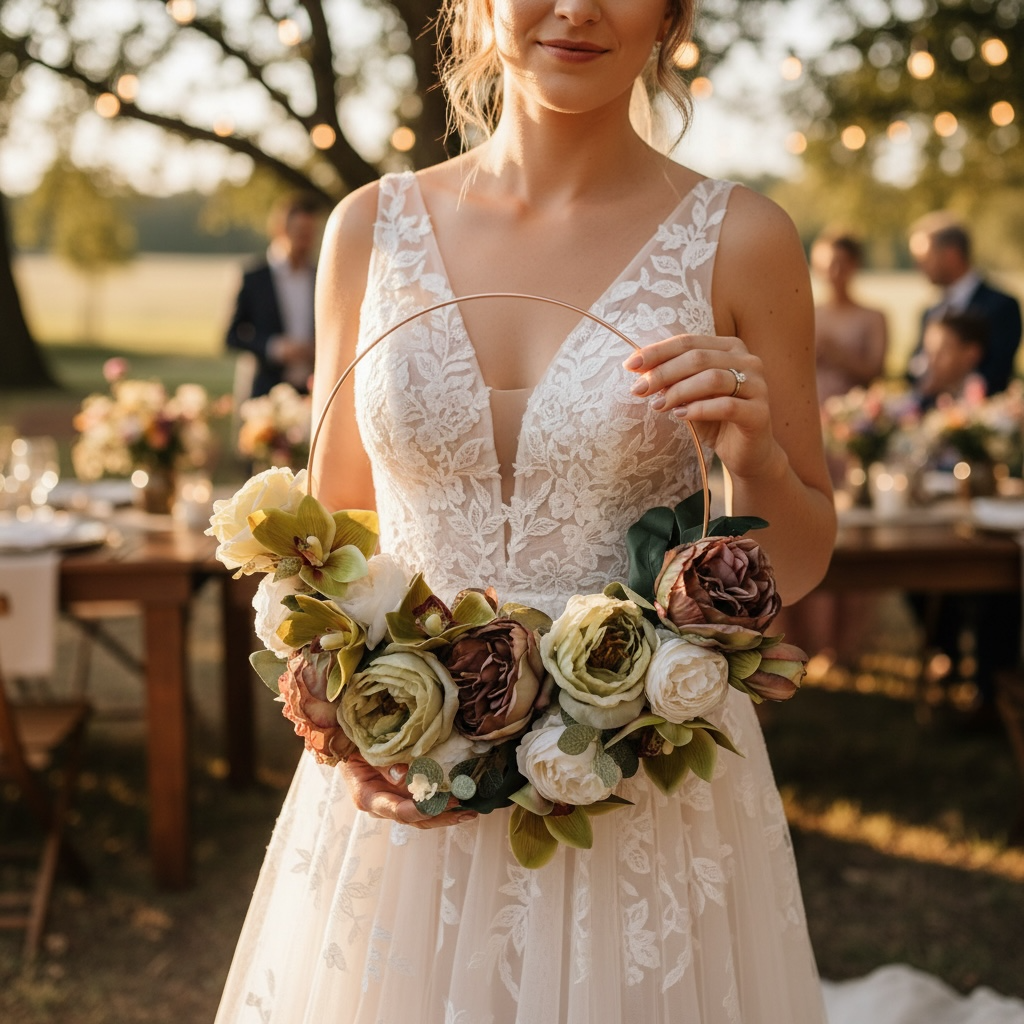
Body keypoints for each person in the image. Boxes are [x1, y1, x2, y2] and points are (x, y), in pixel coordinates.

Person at [213, 4, 1023, 1022]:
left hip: (640, 792)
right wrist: (345, 729)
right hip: (401, 789)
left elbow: (803, 561)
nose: (577, 7)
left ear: (672, 14)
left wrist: (757, 454)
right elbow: (335, 530)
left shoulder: (744, 239)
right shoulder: (365, 230)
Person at [906, 213, 1022, 397]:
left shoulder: (1001, 305)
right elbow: (912, 370)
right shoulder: (929, 312)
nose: (918, 267)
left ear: (951, 255)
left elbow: (997, 370)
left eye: (924, 258)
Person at [225, 192, 323, 399]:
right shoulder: (253, 277)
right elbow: (231, 336)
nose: (306, 241)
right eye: (300, 233)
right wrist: (275, 348)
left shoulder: (322, 276)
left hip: (313, 391)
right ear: (281, 230)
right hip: (265, 393)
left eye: (311, 234)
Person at [811, 231, 888, 404]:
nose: (834, 273)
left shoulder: (873, 317)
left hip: (855, 414)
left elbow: (877, 374)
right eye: (826, 266)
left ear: (855, 265)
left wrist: (837, 355)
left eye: (841, 265)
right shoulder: (808, 314)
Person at [914, 310, 987, 410]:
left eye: (943, 352)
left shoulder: (983, 398)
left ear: (971, 354)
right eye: (929, 352)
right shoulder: (920, 396)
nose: (933, 361)